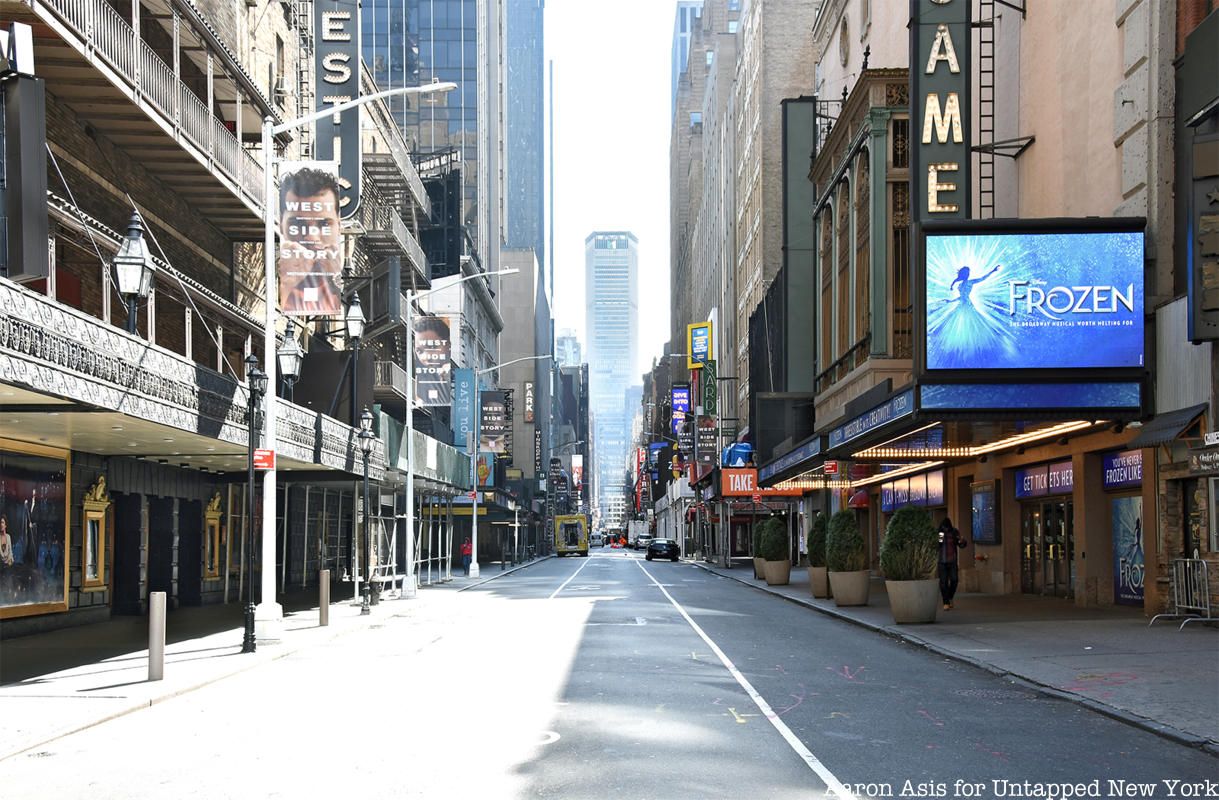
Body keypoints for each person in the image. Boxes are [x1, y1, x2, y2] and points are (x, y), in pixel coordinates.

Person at [278, 166, 344, 316]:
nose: (312, 238)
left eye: (324, 224)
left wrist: (335, 282)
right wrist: (287, 285)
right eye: (298, 224)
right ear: (280, 224)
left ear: (339, 227)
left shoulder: (339, 283)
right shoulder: (275, 275)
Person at [937, 518, 967, 610]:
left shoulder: (954, 532)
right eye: (944, 527)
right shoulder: (940, 533)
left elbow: (960, 545)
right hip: (942, 561)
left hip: (952, 561)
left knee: (954, 580)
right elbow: (938, 545)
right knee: (943, 582)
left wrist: (962, 541)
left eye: (946, 527)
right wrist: (939, 538)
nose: (945, 529)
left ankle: (950, 597)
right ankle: (945, 603)